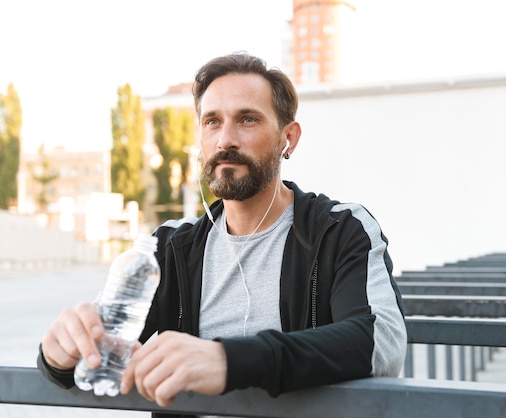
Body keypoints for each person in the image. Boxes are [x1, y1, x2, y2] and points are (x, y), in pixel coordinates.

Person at [37, 52, 407, 417]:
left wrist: (228, 360)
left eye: (247, 119)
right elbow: (97, 356)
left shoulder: (339, 229)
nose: (225, 140)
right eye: (212, 122)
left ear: (288, 138)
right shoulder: (169, 248)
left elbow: (380, 343)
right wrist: (59, 353)